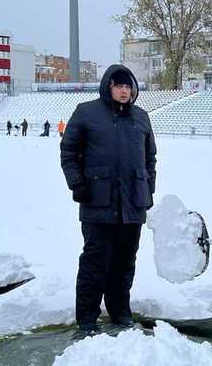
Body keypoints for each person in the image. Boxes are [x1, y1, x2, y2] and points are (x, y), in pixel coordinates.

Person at [60, 65, 157, 337]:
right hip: (97, 202)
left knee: (125, 262)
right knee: (95, 262)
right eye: (119, 86)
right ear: (108, 86)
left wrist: (148, 190)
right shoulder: (86, 112)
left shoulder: (141, 117)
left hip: (133, 204)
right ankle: (87, 318)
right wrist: (77, 184)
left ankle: (120, 311)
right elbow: (68, 152)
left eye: (128, 86)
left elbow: (150, 159)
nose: (124, 91)